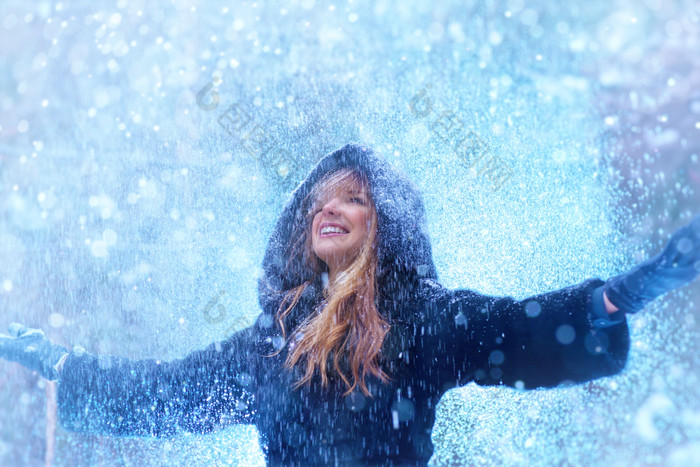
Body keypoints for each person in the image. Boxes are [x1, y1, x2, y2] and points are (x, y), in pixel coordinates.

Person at [1, 143, 699, 466]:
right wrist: (57, 360)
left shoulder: (423, 320)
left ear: (381, 223)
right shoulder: (270, 343)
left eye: (354, 197)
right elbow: (161, 393)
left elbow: (519, 329)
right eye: (323, 196)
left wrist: (621, 296)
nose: (330, 205)